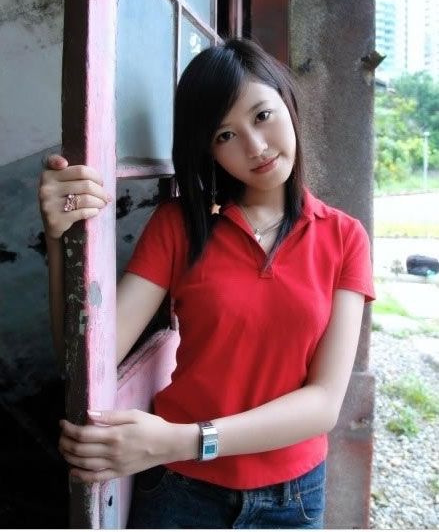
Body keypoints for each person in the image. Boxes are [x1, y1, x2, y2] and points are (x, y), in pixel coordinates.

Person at [39, 38, 375, 529]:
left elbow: (324, 402)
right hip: (181, 495)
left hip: (292, 500)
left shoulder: (345, 237)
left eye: (262, 116)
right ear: (208, 151)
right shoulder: (179, 227)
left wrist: (182, 440)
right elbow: (88, 357)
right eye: (225, 135)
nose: (255, 147)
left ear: (288, 101)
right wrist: (58, 240)